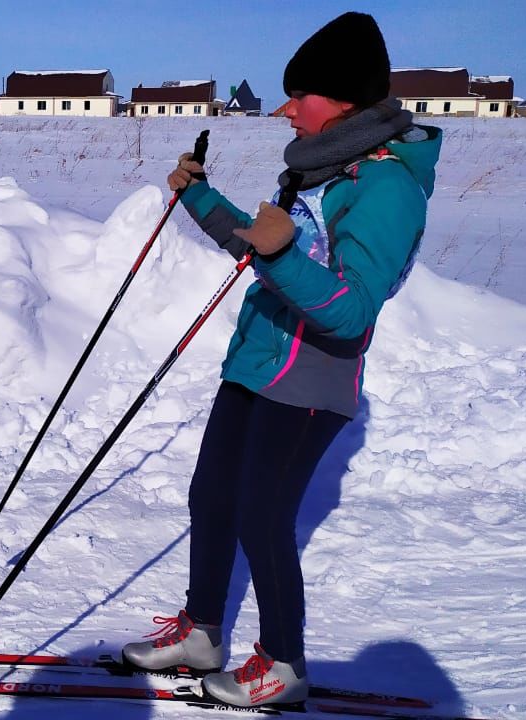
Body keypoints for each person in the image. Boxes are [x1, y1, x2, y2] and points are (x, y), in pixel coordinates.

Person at [120, 12, 441, 709]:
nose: (286, 108)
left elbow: (352, 308)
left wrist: (280, 253)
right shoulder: (322, 168)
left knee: (263, 517)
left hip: (310, 377)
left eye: (303, 95)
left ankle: (284, 664)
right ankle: (202, 633)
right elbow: (264, 248)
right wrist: (198, 197)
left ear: (348, 102)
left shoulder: (386, 187)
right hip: (258, 360)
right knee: (211, 496)